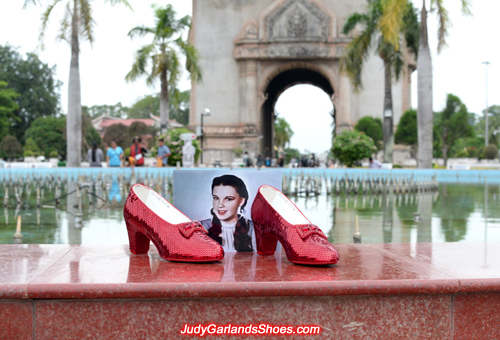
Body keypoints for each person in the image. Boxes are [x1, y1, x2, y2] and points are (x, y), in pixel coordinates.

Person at [199, 174, 255, 252]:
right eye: (216, 198)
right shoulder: (201, 227)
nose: (220, 204)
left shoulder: (253, 229)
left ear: (241, 201)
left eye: (228, 199)